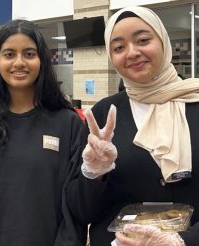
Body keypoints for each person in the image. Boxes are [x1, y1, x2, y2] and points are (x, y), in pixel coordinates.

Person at [0, 19, 89, 246]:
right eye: (9, 54)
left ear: (42, 60)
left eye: (29, 54)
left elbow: (73, 208)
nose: (19, 62)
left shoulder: (68, 123)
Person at [78, 6, 199, 246]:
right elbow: (82, 211)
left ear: (164, 42)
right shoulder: (103, 114)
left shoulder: (196, 101)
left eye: (143, 40)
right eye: (119, 47)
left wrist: (184, 241)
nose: (132, 53)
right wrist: (94, 173)